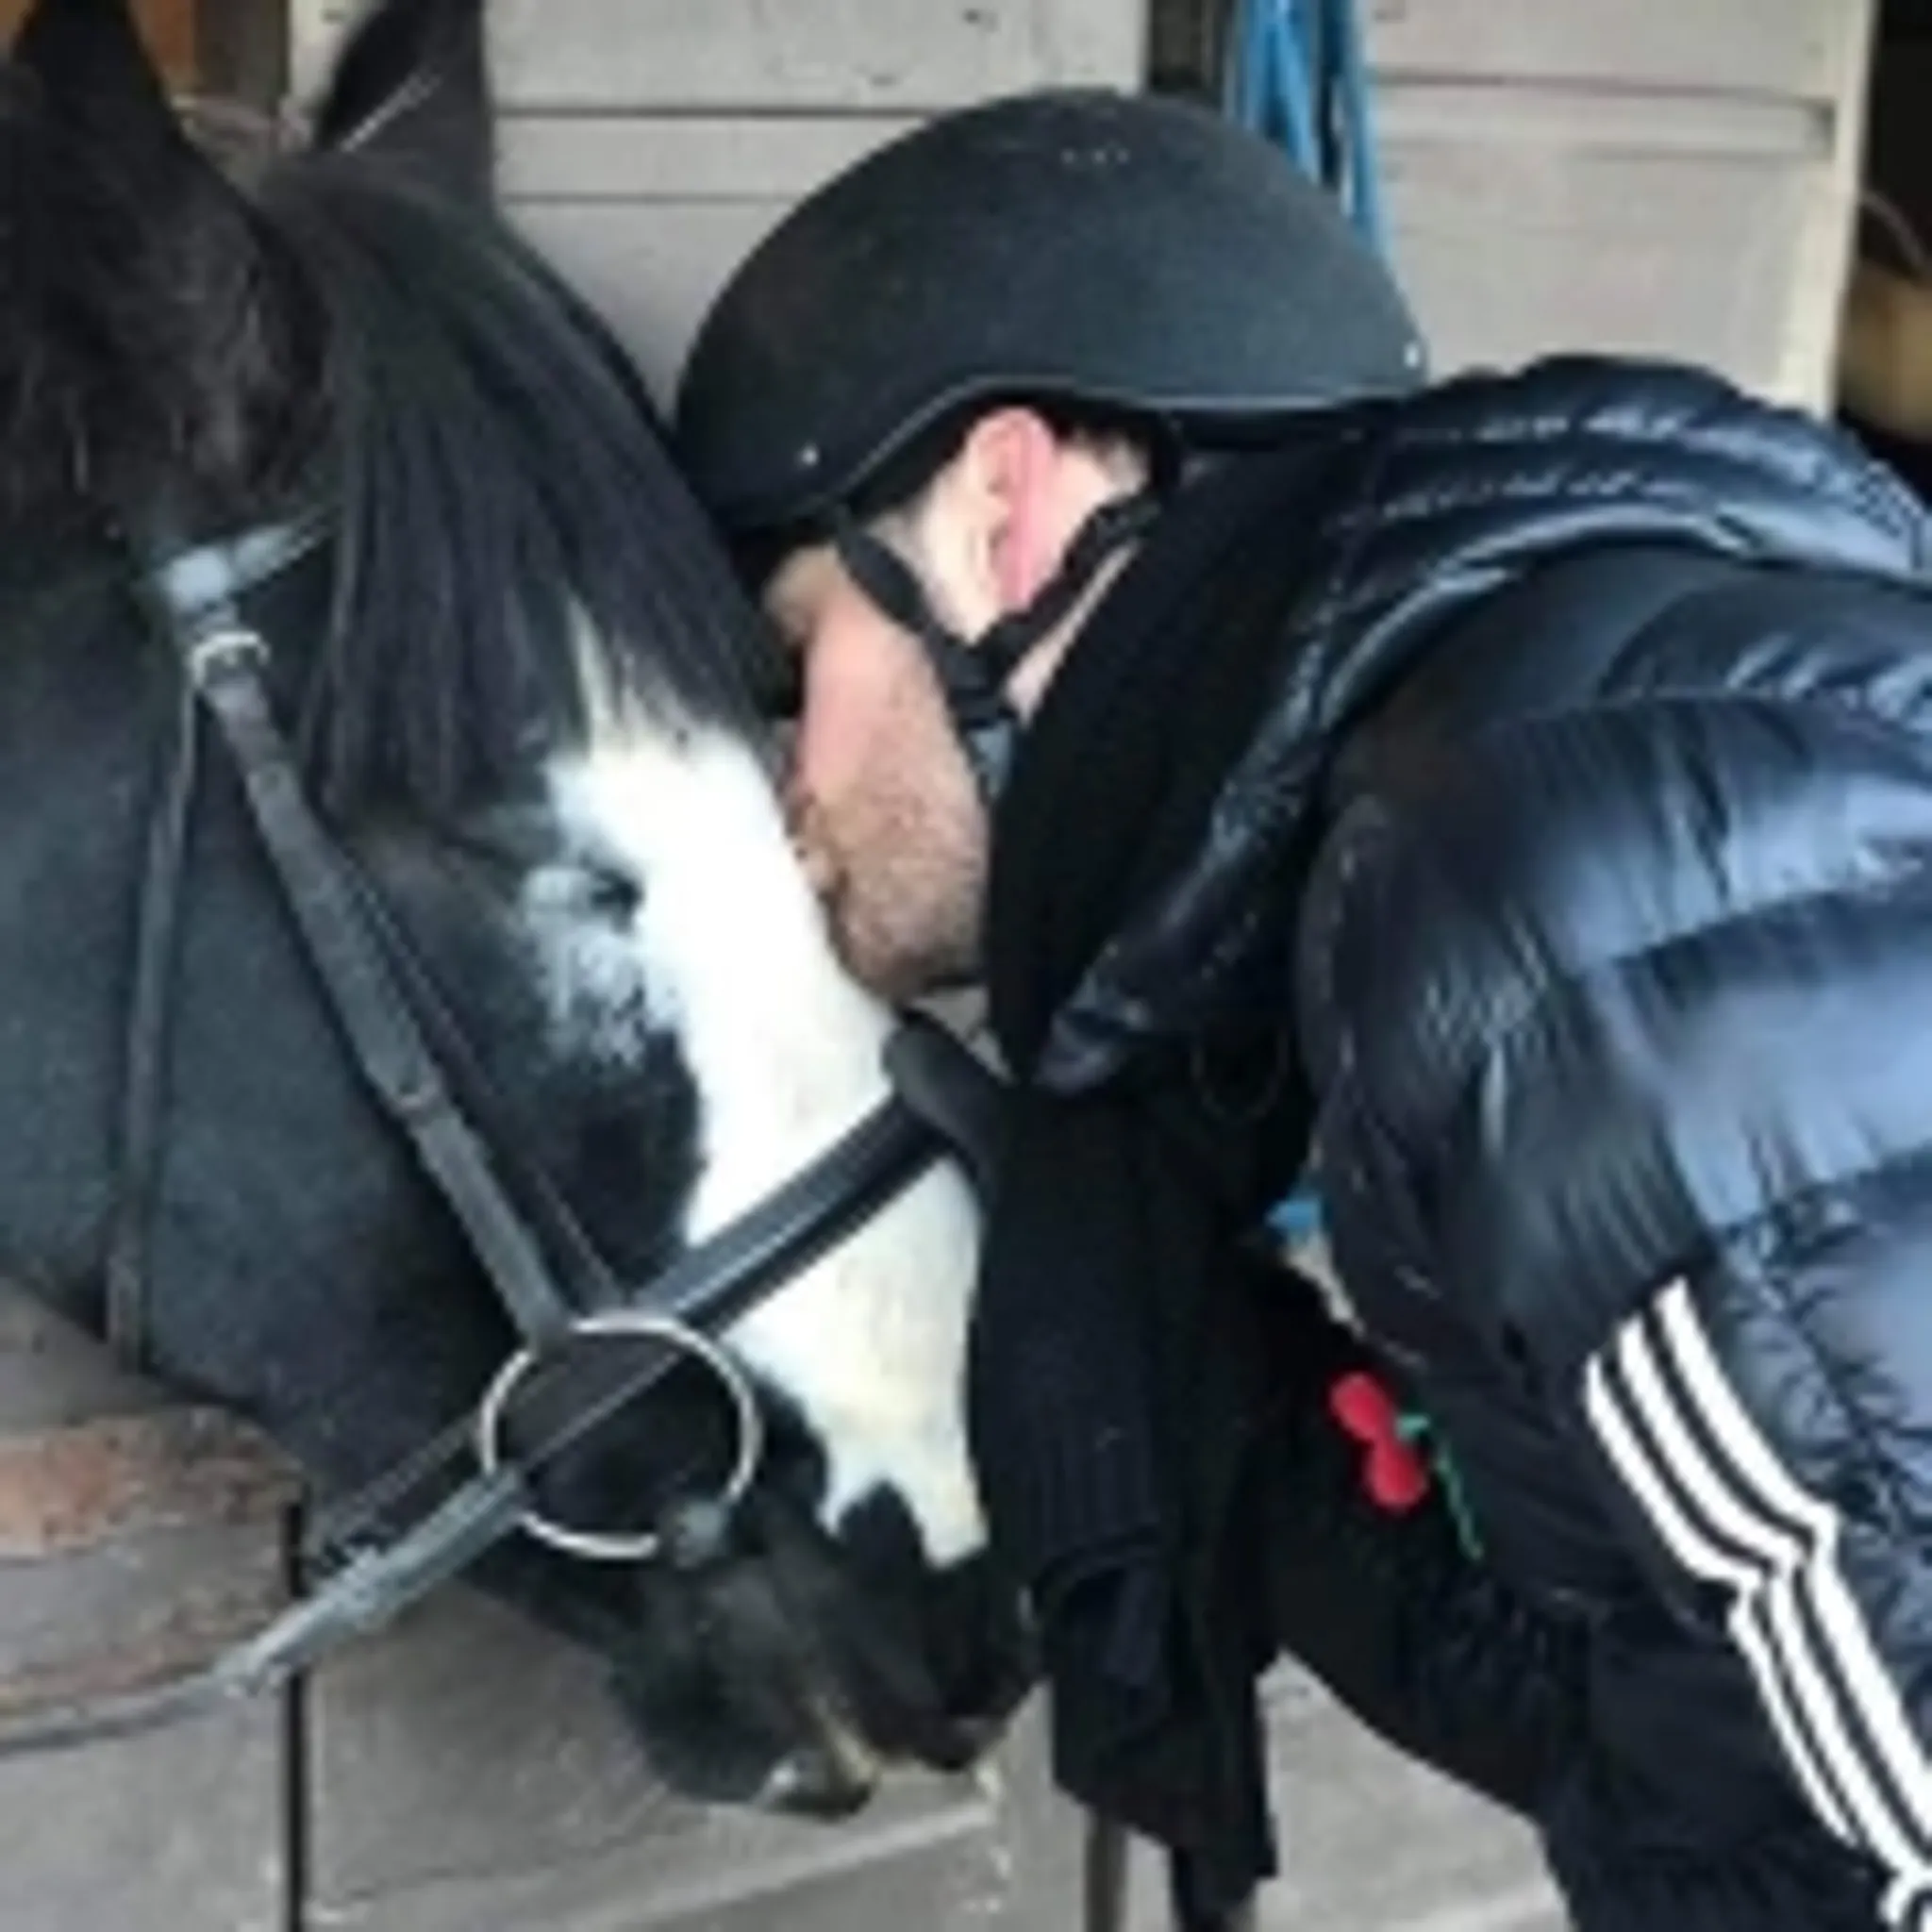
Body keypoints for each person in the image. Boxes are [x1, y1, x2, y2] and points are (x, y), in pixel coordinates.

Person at [674, 87, 1932, 1932]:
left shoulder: (1540, 887)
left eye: (799, 658)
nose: (788, 787)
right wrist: (1369, 1570)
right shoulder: (1586, 736)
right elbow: (1765, 1727)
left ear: (999, 509)